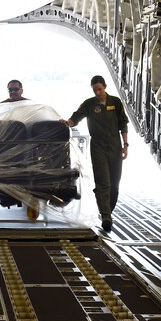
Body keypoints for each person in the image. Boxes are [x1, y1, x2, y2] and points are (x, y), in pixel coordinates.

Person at [63, 75, 128, 231]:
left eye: (99, 89)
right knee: (103, 182)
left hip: (115, 145)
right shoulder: (89, 104)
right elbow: (76, 117)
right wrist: (68, 123)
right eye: (95, 90)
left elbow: (123, 124)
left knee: (114, 185)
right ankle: (106, 215)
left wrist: (125, 145)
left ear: (105, 86)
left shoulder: (115, 102)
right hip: (98, 146)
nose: (98, 93)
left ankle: (108, 211)